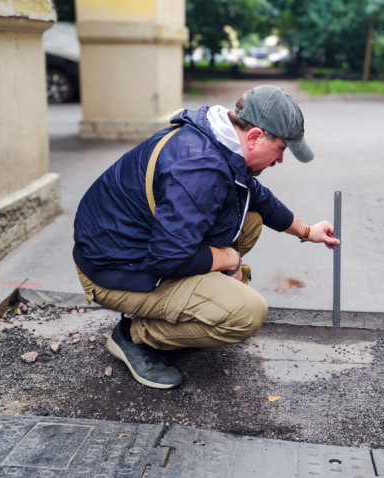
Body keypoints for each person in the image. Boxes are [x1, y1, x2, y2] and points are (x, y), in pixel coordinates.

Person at [73, 85, 340, 389]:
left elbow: (259, 198)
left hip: (140, 248)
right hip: (116, 270)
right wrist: (230, 260)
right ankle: (134, 336)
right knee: (247, 313)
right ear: (254, 137)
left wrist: (307, 231)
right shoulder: (199, 168)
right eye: (281, 149)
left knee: (249, 219)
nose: (280, 159)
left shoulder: (218, 140)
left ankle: (206, 303)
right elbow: (169, 258)